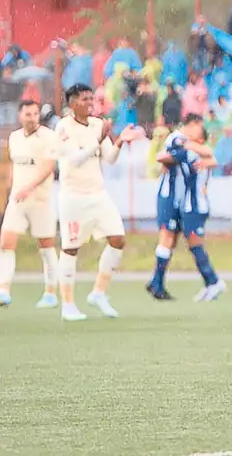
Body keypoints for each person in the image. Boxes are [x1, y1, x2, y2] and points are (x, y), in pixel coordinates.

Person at [56, 84, 140, 321]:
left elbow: (109, 158)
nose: (91, 103)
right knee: (70, 248)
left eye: (92, 98)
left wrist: (119, 141)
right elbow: (76, 158)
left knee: (118, 239)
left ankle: (99, 293)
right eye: (85, 99)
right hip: (73, 196)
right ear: (73, 103)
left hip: (98, 194)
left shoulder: (97, 124)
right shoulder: (63, 127)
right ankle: (68, 304)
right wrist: (99, 138)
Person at [147, 114, 225, 301]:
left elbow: (208, 157)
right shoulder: (177, 139)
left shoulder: (192, 150)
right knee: (170, 239)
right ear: (193, 125)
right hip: (172, 199)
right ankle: (158, 282)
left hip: (190, 204)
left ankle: (211, 282)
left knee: (182, 241)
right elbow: (167, 156)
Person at [0, 101, 60, 308]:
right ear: (20, 115)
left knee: (46, 247)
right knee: (6, 243)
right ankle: (3, 290)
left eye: (35, 114)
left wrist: (29, 188)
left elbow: (48, 168)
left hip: (40, 200)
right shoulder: (14, 137)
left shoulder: (48, 137)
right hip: (17, 200)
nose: (32, 117)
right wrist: (11, 188)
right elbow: (15, 165)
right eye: (28, 114)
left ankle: (50, 292)